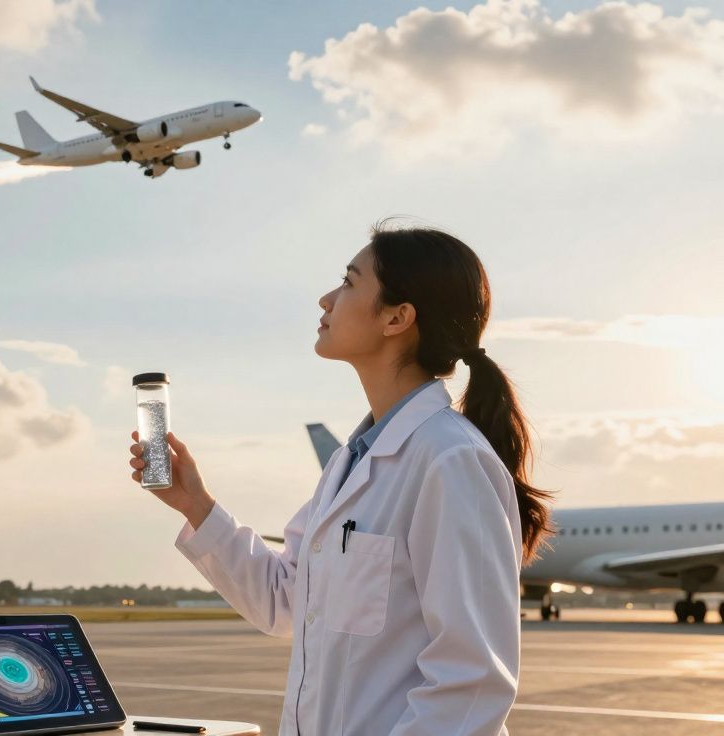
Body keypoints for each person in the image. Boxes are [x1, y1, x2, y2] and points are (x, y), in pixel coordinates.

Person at [127, 221, 553, 736]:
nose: (326, 299)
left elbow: (472, 682)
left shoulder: (450, 459)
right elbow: (286, 603)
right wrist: (196, 504)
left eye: (350, 282)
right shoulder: (348, 464)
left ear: (398, 317)